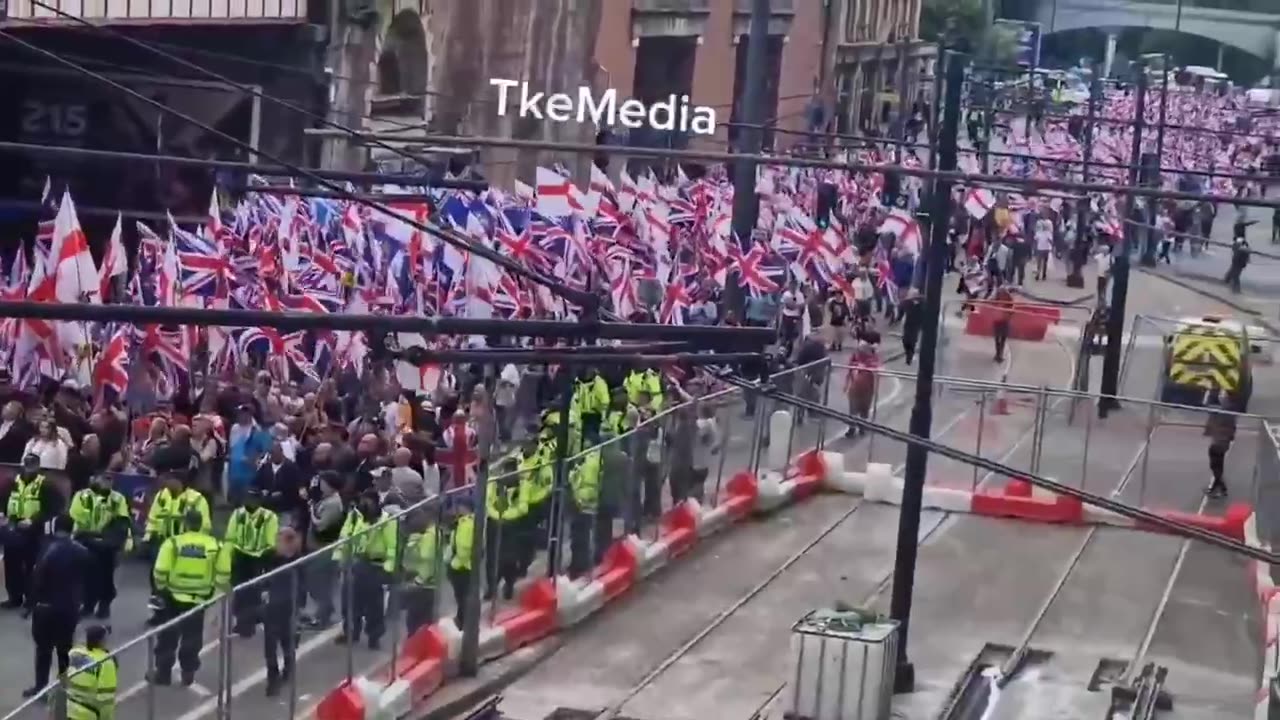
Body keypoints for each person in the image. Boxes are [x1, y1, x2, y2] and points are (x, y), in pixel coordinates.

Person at [150, 509, 231, 686]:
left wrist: (161, 588)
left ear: (185, 523)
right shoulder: (214, 545)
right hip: (199, 598)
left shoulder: (173, 543)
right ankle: (188, 672)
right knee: (192, 637)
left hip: (173, 597)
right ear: (201, 524)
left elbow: (160, 571)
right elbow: (224, 572)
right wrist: (214, 592)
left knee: (167, 636)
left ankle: (163, 673)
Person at [24, 514, 89, 697]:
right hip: (69, 607)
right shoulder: (81, 551)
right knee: (65, 649)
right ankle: (64, 687)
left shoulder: (46, 549)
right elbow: (89, 578)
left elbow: (37, 579)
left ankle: (41, 688)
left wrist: (29, 605)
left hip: (46, 607)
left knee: (43, 650)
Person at [143, 470, 211, 624]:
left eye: (170, 481)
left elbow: (204, 525)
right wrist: (149, 537)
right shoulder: (162, 496)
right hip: (162, 542)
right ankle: (159, 613)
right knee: (157, 577)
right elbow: (153, 517)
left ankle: (179, 611)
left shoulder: (197, 500)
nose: (167, 484)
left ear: (180, 483)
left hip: (185, 546)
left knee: (178, 579)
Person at [1, 453, 63, 609]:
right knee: (11, 565)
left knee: (31, 566)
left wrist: (35, 521)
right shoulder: (13, 482)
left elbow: (55, 507)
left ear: (38, 466)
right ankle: (15, 597)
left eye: (32, 465)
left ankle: (31, 599)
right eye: (27, 465)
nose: (29, 469)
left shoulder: (46, 484)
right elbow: (3, 500)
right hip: (13, 528)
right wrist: (2, 513)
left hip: (34, 531)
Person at [336, 490, 396, 650]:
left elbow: (392, 547)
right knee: (349, 602)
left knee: (374, 605)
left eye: (367, 501)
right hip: (355, 563)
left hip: (375, 566)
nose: (364, 504)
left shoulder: (386, 520)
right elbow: (344, 538)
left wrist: (388, 569)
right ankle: (351, 632)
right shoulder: (355, 516)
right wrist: (341, 560)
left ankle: (374, 636)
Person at [68, 472, 133, 620]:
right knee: (87, 576)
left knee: (106, 576)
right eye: (103, 478)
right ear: (95, 479)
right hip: (85, 540)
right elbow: (76, 517)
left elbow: (121, 521)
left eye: (109, 480)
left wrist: (109, 539)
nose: (106, 482)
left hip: (106, 544)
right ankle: (88, 605)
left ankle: (104, 605)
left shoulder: (118, 499)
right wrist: (90, 535)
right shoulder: (82, 496)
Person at [224, 488, 279, 637]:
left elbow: (271, 541)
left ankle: (248, 623)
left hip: (259, 558)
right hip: (240, 556)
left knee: (253, 593)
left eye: (253, 499)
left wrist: (264, 557)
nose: (250, 502)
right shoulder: (238, 514)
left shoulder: (268, 517)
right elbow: (230, 537)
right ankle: (245, 620)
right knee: (239, 591)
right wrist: (228, 558)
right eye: (248, 498)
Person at [260, 527, 305, 696]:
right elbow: (263, 577)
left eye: (280, 540)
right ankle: (273, 678)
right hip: (272, 607)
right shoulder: (270, 557)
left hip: (289, 607)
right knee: (270, 647)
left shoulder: (297, 561)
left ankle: (288, 668)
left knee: (288, 643)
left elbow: (302, 585)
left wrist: (299, 607)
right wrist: (264, 591)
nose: (277, 543)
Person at [304, 472, 344, 629]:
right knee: (315, 581)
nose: (320, 485)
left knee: (319, 582)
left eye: (323, 482)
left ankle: (323, 615)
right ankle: (324, 611)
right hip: (316, 546)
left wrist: (311, 512)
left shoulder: (333, 503)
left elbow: (321, 525)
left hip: (324, 548)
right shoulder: (326, 500)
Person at [486, 459, 528, 598]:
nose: (507, 474)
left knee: (509, 558)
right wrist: (497, 517)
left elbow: (522, 507)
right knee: (492, 558)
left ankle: (509, 585)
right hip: (495, 523)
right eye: (506, 471)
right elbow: (489, 503)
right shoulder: (495, 483)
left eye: (511, 471)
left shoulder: (522, 485)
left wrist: (506, 517)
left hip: (512, 525)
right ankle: (492, 587)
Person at [65, 624, 117, 720]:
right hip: (89, 714)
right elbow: (106, 698)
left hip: (69, 709)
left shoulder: (74, 653)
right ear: (101, 641)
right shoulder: (105, 662)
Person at [402, 518, 442, 637]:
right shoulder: (431, 534)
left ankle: (416, 643)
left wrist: (419, 580)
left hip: (421, 582)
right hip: (423, 582)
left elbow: (426, 560)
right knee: (422, 618)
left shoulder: (426, 538)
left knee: (416, 619)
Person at [567, 445, 601, 579]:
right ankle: (579, 564)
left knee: (581, 538)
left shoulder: (591, 463)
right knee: (579, 538)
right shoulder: (583, 462)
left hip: (585, 505)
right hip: (580, 504)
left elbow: (588, 486)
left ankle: (581, 565)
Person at [445, 497, 475, 628]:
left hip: (462, 566)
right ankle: (462, 618)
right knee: (462, 595)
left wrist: (453, 564)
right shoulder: (469, 522)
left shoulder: (466, 524)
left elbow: (463, 547)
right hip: (464, 564)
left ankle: (462, 620)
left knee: (462, 595)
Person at [1204, 392, 1237, 498]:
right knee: (1218, 465)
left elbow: (1207, 405)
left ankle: (1220, 487)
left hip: (1220, 442)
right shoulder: (1228, 412)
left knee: (1216, 464)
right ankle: (1219, 487)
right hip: (1222, 441)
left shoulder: (1223, 412)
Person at [991, 282, 1015, 364]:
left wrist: (1009, 312)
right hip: (998, 320)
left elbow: (1013, 307)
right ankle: (998, 354)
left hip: (1004, 320)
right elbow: (991, 303)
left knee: (1002, 339)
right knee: (998, 338)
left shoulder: (1008, 297)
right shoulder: (997, 295)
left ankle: (999, 354)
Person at [899, 288, 922, 365]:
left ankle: (909, 358)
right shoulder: (906, 303)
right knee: (905, 340)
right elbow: (901, 309)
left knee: (912, 340)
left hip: (916, 325)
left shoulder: (921, 303)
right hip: (907, 324)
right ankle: (908, 354)